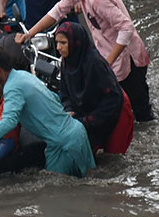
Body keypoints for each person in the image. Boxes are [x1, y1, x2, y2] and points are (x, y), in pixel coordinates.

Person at [18, 0, 155, 122]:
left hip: (126, 61)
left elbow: (126, 28)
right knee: (118, 109)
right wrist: (29, 33)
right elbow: (59, 10)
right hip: (107, 55)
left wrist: (107, 63)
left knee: (138, 111)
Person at [0, 46, 95, 177]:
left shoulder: (12, 88)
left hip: (63, 145)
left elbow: (9, 122)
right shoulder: (22, 75)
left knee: (57, 194)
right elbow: (54, 97)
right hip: (75, 132)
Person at [54, 21, 132, 152]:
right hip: (90, 111)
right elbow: (65, 92)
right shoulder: (67, 62)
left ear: (75, 43)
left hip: (116, 109)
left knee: (113, 157)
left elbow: (112, 98)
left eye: (63, 43)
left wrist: (86, 121)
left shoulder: (94, 63)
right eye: (57, 42)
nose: (58, 47)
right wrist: (69, 110)